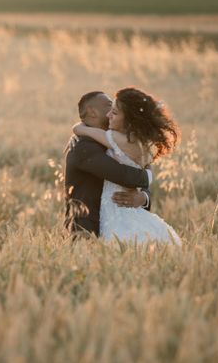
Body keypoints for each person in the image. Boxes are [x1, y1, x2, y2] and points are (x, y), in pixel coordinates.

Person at [72, 87, 182, 245]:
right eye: (108, 108)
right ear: (92, 111)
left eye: (114, 111)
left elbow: (127, 176)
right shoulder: (87, 145)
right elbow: (132, 174)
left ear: (129, 119)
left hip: (117, 214)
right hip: (90, 225)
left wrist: (143, 197)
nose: (110, 113)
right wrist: (148, 179)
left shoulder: (114, 138)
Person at [64, 91, 153, 239]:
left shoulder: (114, 141)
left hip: (121, 227)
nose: (113, 110)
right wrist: (150, 176)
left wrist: (144, 198)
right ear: (93, 112)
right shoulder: (83, 146)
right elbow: (126, 176)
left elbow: (137, 173)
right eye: (109, 105)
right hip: (87, 232)